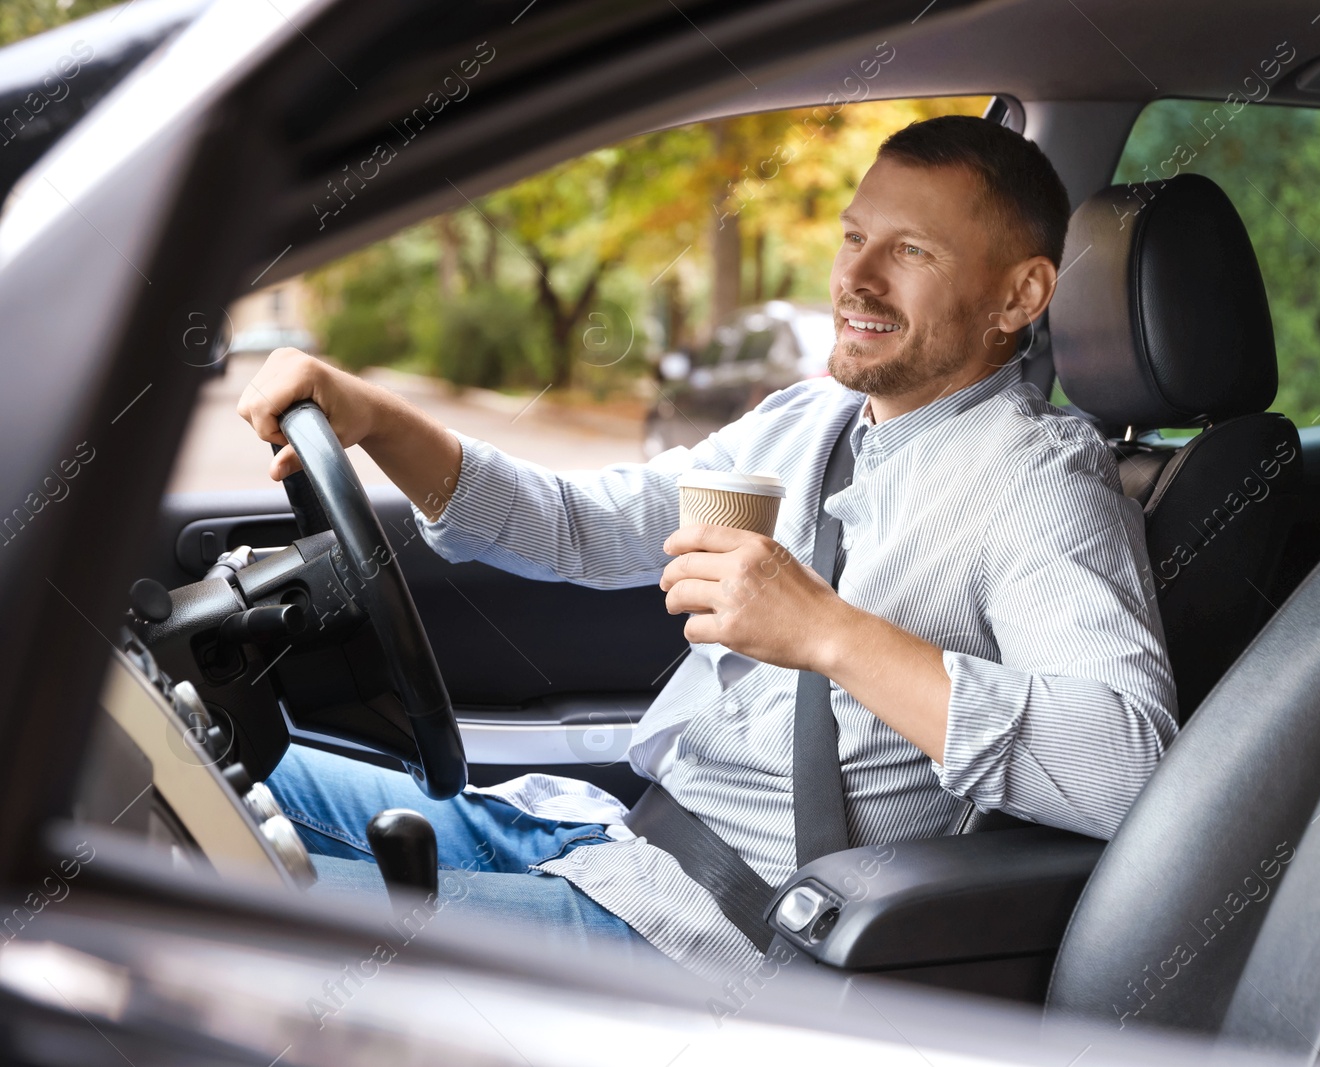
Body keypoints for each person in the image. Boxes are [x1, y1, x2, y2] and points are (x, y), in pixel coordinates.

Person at [241, 115, 1178, 982]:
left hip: (716, 940)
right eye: (855, 237)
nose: (857, 277)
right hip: (616, 847)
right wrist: (373, 418)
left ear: (1021, 294)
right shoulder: (810, 420)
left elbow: (1127, 763)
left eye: (912, 252)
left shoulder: (1042, 482)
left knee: (229, 907)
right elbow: (579, 522)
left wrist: (827, 631)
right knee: (228, 764)